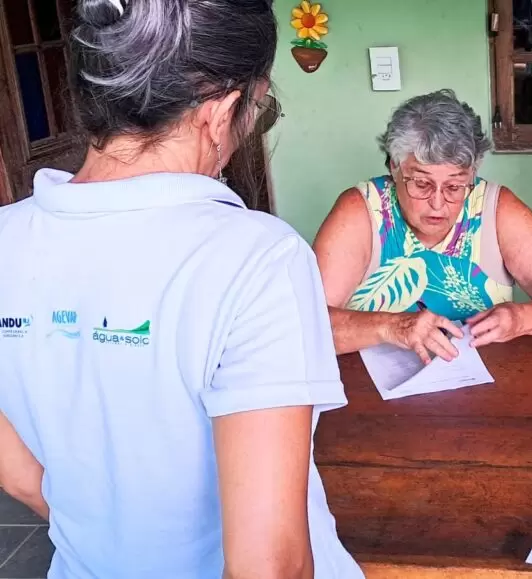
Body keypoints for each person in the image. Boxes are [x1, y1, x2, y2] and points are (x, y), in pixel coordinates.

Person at [0, 0, 363, 576]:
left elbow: (20, 475)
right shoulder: (257, 257)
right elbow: (267, 567)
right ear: (220, 113)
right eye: (259, 109)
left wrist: (112, 538)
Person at [314, 90, 532, 364]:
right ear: (395, 167)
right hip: (368, 384)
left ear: (472, 174)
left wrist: (520, 318)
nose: (437, 203)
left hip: (483, 382)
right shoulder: (362, 210)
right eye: (422, 184)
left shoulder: (494, 208)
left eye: (454, 186)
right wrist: (391, 326)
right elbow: (309, 321)